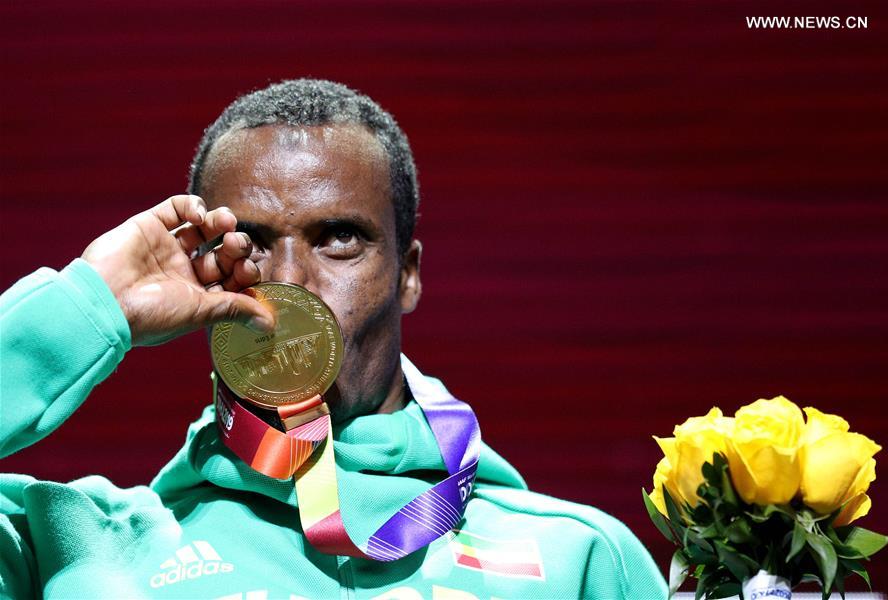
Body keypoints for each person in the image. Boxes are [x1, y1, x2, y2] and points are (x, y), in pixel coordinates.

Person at [0, 79, 665, 599]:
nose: (290, 281)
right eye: (248, 242)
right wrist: (93, 303)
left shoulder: (578, 559)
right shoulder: (75, 550)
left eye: (339, 238)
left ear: (407, 275)